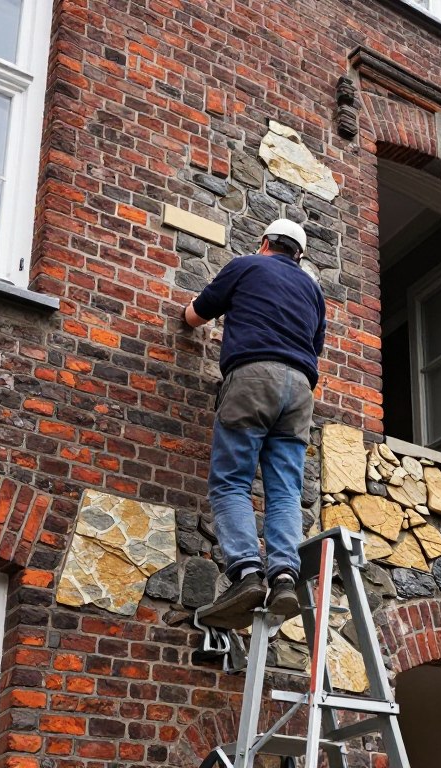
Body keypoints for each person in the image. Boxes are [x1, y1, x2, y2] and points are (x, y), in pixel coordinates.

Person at [183, 218, 326, 629]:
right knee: (285, 490)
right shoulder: (313, 290)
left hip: (253, 378)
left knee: (231, 482)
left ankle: (246, 573)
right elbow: (315, 345)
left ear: (265, 242)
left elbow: (195, 315)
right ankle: (284, 578)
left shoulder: (246, 265)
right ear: (299, 255)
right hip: (300, 391)